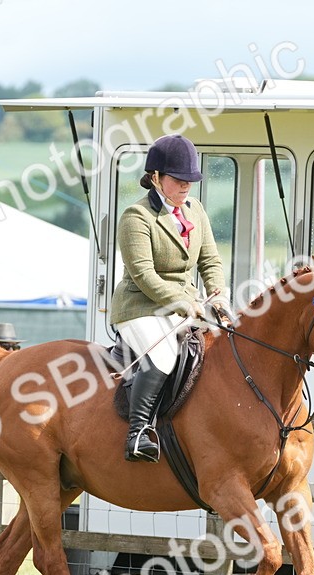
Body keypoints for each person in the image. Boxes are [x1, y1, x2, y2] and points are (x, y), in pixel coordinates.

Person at [110, 134, 232, 463]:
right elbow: (144, 274)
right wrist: (182, 302)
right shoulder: (136, 217)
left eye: (190, 181)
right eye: (178, 181)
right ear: (155, 178)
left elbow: (210, 261)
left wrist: (216, 295)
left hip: (186, 304)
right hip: (140, 306)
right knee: (163, 357)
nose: (185, 188)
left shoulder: (196, 210)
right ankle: (137, 434)